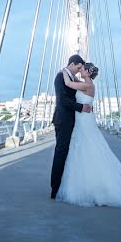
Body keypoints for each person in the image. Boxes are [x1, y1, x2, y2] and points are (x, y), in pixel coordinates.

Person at [56, 62, 121, 207]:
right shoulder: (87, 83)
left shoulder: (87, 86)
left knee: (89, 148)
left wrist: (64, 71)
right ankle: (91, 183)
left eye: (82, 69)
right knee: (86, 149)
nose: (80, 70)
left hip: (85, 121)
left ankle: (94, 185)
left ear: (87, 72)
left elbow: (68, 83)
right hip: (83, 119)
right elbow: (75, 82)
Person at [51, 54, 91, 199]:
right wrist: (81, 107)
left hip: (70, 120)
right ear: (73, 64)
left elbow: (82, 86)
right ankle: (55, 189)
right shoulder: (60, 76)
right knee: (61, 152)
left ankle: (62, 186)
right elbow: (62, 100)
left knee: (66, 152)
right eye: (79, 67)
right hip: (63, 120)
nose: (79, 71)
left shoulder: (70, 77)